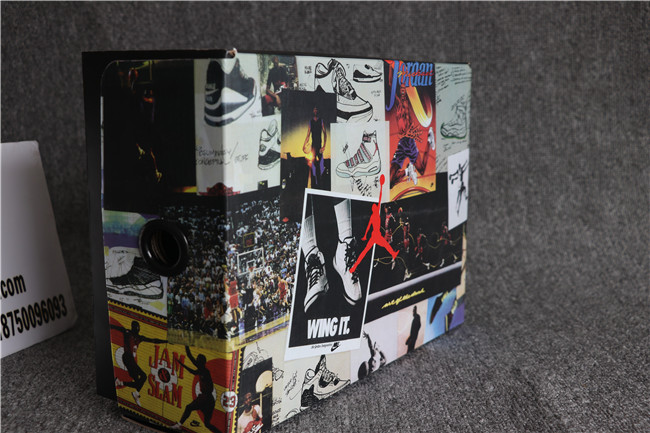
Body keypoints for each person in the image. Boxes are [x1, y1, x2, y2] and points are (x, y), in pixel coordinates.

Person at [111, 320, 167, 406]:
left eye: (138, 327)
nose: (137, 329)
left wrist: (166, 341)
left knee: (138, 382)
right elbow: (116, 327)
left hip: (131, 359)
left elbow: (153, 340)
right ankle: (129, 389)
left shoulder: (139, 338)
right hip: (127, 357)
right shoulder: (127, 332)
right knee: (143, 376)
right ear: (133, 327)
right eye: (136, 327)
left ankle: (123, 384)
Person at [351, 175, 399, 273]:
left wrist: (365, 236)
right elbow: (368, 227)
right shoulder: (375, 214)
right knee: (375, 249)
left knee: (382, 247)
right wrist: (381, 186)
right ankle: (355, 267)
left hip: (375, 235)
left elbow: (368, 227)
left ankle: (354, 267)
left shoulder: (374, 215)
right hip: (376, 236)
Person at [171, 347, 222, 433]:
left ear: (202, 362)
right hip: (209, 399)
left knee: (189, 408)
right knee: (207, 424)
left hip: (206, 398)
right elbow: (192, 371)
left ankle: (178, 425)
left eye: (198, 360)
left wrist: (187, 345)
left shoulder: (204, 371)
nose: (196, 361)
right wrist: (181, 364)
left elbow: (190, 356)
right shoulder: (202, 371)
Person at [303, 106, 327, 189]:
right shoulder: (310, 122)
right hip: (313, 146)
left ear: (318, 111)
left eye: (317, 109)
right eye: (314, 109)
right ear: (313, 111)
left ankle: (320, 182)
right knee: (314, 164)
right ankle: (315, 182)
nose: (315, 110)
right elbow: (308, 135)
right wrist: (304, 145)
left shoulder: (321, 121)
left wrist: (324, 146)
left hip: (319, 146)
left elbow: (325, 133)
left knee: (320, 164)